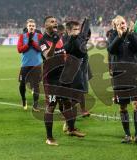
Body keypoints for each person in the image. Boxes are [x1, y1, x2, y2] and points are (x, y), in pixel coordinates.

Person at [39, 16, 86, 146]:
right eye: (52, 22)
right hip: (51, 79)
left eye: (55, 21)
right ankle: (49, 137)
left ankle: (71, 129)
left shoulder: (59, 37)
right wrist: (54, 43)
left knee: (67, 102)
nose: (55, 23)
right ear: (45, 25)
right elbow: (47, 56)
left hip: (63, 76)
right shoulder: (43, 41)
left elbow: (65, 51)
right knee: (51, 106)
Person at [107, 15, 137, 144]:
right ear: (115, 26)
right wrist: (119, 36)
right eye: (119, 24)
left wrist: (129, 34)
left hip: (134, 74)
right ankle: (127, 135)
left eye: (123, 22)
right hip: (119, 76)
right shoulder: (112, 36)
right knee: (122, 107)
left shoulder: (133, 34)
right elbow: (111, 50)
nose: (122, 25)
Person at [17, 18, 42, 111]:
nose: (31, 27)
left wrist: (33, 43)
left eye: (33, 26)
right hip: (25, 64)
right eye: (29, 26)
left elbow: (42, 49)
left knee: (36, 85)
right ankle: (24, 99)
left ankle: (35, 105)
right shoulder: (22, 37)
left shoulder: (39, 36)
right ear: (27, 27)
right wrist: (28, 44)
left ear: (35, 27)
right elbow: (19, 50)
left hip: (37, 64)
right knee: (22, 84)